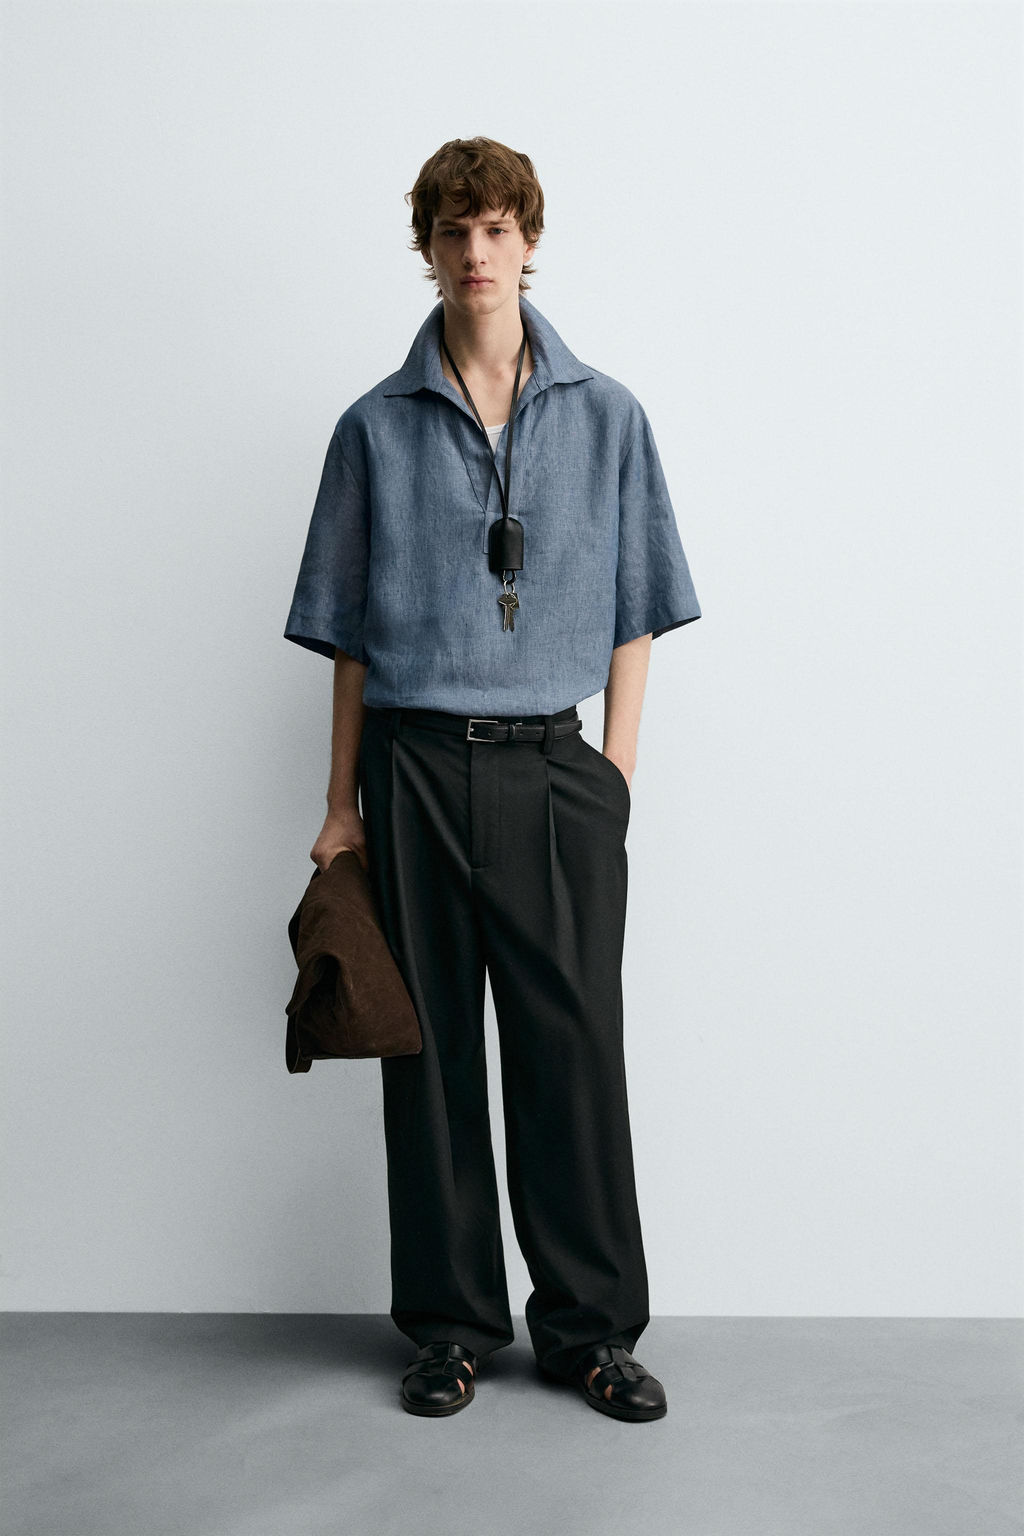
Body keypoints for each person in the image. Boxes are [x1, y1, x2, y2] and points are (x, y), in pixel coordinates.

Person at [283, 136, 701, 1422]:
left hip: (556, 772)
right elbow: (348, 640)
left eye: (497, 228)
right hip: (411, 767)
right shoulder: (373, 428)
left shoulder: (609, 416)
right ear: (426, 248)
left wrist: (614, 774)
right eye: (453, 230)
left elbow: (636, 608)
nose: (476, 252)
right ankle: (452, 1327)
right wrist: (341, 806)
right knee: (431, 1061)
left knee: (572, 1057)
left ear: (529, 241)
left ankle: (589, 1332)